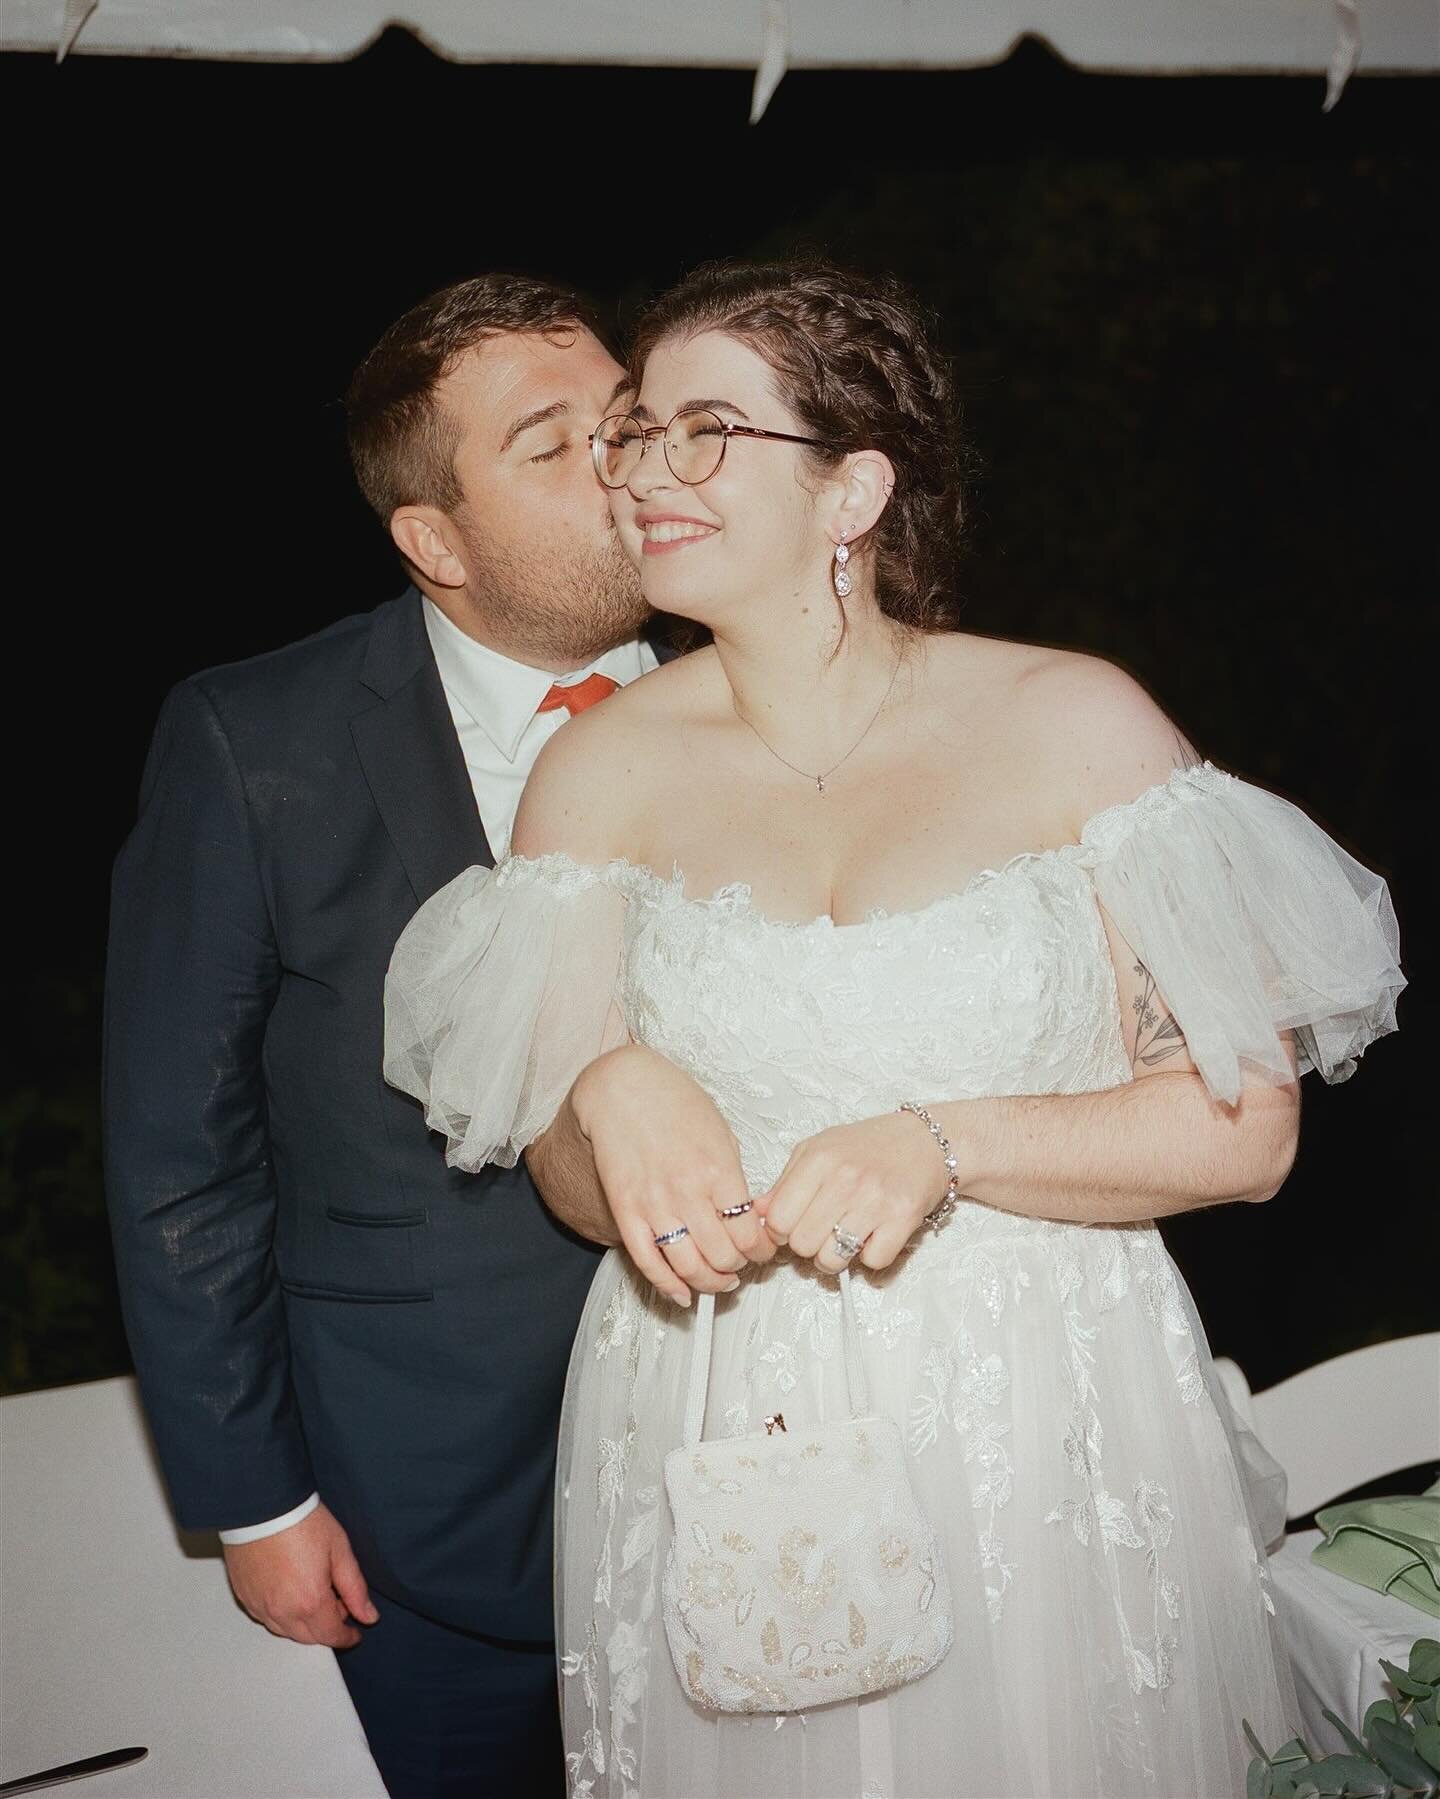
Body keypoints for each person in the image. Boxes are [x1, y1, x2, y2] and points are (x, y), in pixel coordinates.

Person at [383, 260, 1405, 1798]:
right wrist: (608, 1091)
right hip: (722, 1414)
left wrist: (947, 1141)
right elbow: (575, 1191)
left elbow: (1246, 1130)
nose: (648, 472)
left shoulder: (1077, 723)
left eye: (708, 430)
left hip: (1041, 1402)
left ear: (854, 487)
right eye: (638, 433)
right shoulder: (596, 777)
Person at [103, 272, 666, 1797]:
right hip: (416, 1507)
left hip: (743, 1470)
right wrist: (255, 1500)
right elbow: (178, 1150)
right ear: (435, 537)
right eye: (552, 448)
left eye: (625, 423)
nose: (621, 467)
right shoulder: (256, 738)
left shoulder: (763, 704)